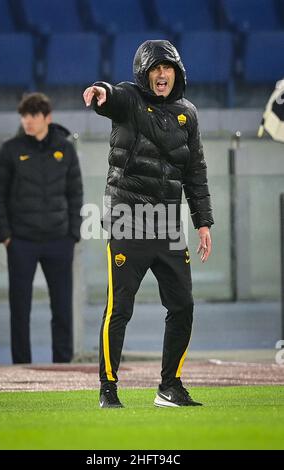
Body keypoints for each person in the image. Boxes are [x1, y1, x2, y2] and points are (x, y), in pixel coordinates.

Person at [83, 40, 213, 408]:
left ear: (177, 72)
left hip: (170, 226)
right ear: (144, 73)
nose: (162, 74)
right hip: (128, 221)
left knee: (183, 306)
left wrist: (203, 222)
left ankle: (169, 387)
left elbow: (196, 173)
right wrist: (100, 92)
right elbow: (113, 98)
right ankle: (108, 390)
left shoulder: (189, 114)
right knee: (119, 309)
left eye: (167, 68)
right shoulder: (129, 100)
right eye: (155, 68)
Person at [0, 93, 83, 364]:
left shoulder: (65, 149)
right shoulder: (9, 150)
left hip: (59, 241)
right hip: (21, 242)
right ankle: (21, 367)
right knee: (20, 309)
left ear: (47, 118)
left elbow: (75, 193)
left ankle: (63, 365)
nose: (28, 121)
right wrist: (5, 236)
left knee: (62, 308)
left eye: (33, 116)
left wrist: (72, 234)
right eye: (24, 116)